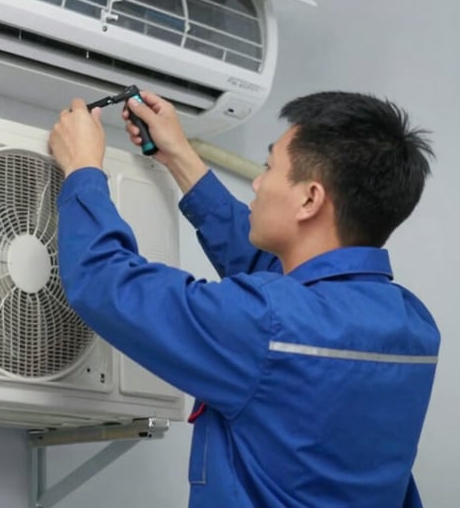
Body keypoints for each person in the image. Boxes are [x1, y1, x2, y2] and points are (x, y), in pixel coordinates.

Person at [48, 89, 439, 508]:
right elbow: (280, 281)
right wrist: (181, 158)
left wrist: (83, 168)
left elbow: (107, 282)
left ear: (310, 199)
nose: (257, 181)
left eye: (269, 167)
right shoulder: (414, 327)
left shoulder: (265, 326)